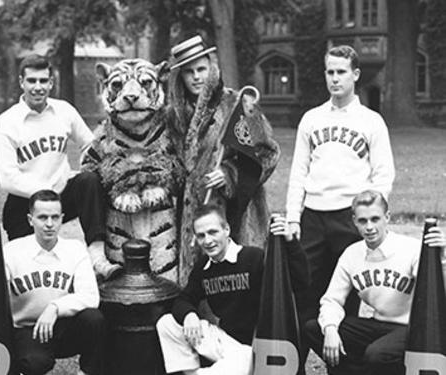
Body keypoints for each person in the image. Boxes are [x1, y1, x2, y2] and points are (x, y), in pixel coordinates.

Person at [285, 45, 395, 329]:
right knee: (305, 292)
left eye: (341, 72)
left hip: (349, 218)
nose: (335, 78)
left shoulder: (372, 121)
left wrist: (369, 216)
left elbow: (383, 175)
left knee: (347, 295)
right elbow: (298, 171)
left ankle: (344, 364)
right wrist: (293, 217)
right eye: (330, 72)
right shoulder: (311, 119)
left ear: (355, 74)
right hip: (313, 216)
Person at [0, 54, 119, 280]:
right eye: (32, 81)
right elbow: (7, 178)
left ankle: (97, 255)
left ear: (51, 82)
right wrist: (46, 191)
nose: (38, 87)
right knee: (28, 265)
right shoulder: (7, 121)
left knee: (88, 180)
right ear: (21, 82)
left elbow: (91, 146)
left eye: (43, 81)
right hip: (24, 202)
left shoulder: (64, 111)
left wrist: (79, 169)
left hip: (61, 194)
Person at [166, 35, 280, 284]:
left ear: (212, 69)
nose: (196, 77)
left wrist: (230, 174)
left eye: (201, 69)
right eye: (189, 72)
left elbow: (268, 154)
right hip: (193, 213)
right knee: (199, 283)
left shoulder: (237, 105)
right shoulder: (174, 115)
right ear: (180, 77)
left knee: (239, 282)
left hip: (237, 211)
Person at [303, 190, 446, 375]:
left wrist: (439, 259)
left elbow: (436, 294)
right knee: (314, 329)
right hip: (378, 324)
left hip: (411, 328)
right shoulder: (351, 254)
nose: (369, 227)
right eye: (363, 221)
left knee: (377, 354)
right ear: (354, 221)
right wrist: (330, 330)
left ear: (387, 217)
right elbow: (332, 300)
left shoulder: (410, 249)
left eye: (375, 219)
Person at [155, 204, 309, 375]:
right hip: (224, 340)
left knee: (239, 362)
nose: (208, 241)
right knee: (167, 323)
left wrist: (291, 241)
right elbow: (184, 299)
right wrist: (189, 315)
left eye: (213, 232)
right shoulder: (203, 267)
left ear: (226, 229)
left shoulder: (253, 258)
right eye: (201, 236)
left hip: (253, 348)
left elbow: (300, 282)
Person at [0, 189, 106, 375]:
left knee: (94, 319)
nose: (49, 224)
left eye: (55, 217)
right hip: (26, 330)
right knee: (35, 362)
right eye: (42, 217)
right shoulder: (12, 251)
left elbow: (90, 297)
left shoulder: (75, 249)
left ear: (62, 218)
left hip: (61, 325)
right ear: (30, 219)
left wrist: (54, 308)